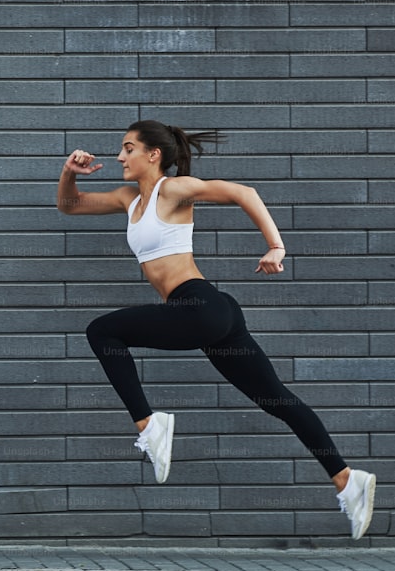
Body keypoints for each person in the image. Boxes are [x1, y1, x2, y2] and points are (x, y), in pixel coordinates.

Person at [56, 120, 376, 540]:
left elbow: (245, 193)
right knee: (275, 398)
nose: (119, 157)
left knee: (102, 331)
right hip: (212, 313)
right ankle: (347, 479)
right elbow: (70, 206)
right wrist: (68, 171)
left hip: (197, 307)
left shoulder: (173, 189)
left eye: (128, 148)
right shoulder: (128, 198)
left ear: (153, 155)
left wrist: (276, 246)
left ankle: (149, 426)